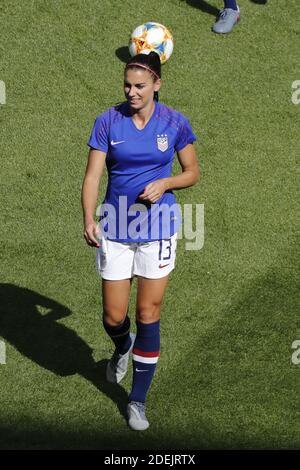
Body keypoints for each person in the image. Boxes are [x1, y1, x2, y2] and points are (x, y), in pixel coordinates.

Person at [81, 51, 199, 431]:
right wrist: (88, 218)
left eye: (139, 86)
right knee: (113, 316)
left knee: (149, 312)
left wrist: (165, 182)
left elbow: (192, 171)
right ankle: (122, 346)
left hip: (158, 229)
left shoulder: (175, 123)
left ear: (157, 85)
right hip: (115, 227)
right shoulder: (108, 121)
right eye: (127, 85)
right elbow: (92, 177)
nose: (131, 92)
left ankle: (137, 400)